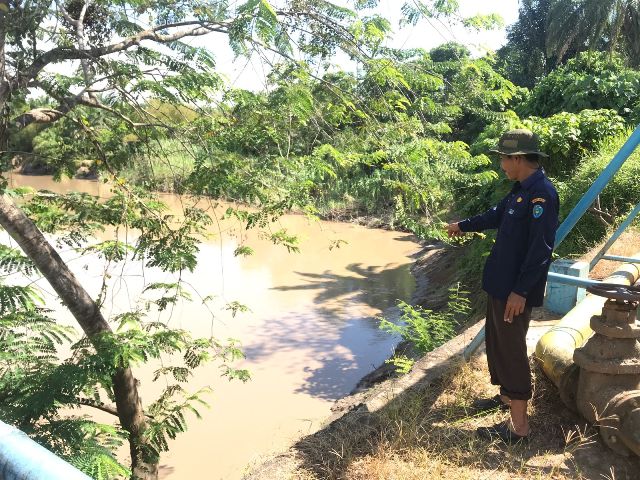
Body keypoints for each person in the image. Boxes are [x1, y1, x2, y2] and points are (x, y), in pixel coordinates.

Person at [446, 129, 559, 444]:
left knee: (510, 351)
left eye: (503, 158)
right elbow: (494, 216)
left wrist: (520, 291)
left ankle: (519, 429)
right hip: (501, 285)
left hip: (514, 292)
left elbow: (541, 249)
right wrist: (462, 226)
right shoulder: (519, 190)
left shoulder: (542, 195)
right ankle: (508, 398)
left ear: (518, 158)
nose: (501, 164)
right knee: (498, 345)